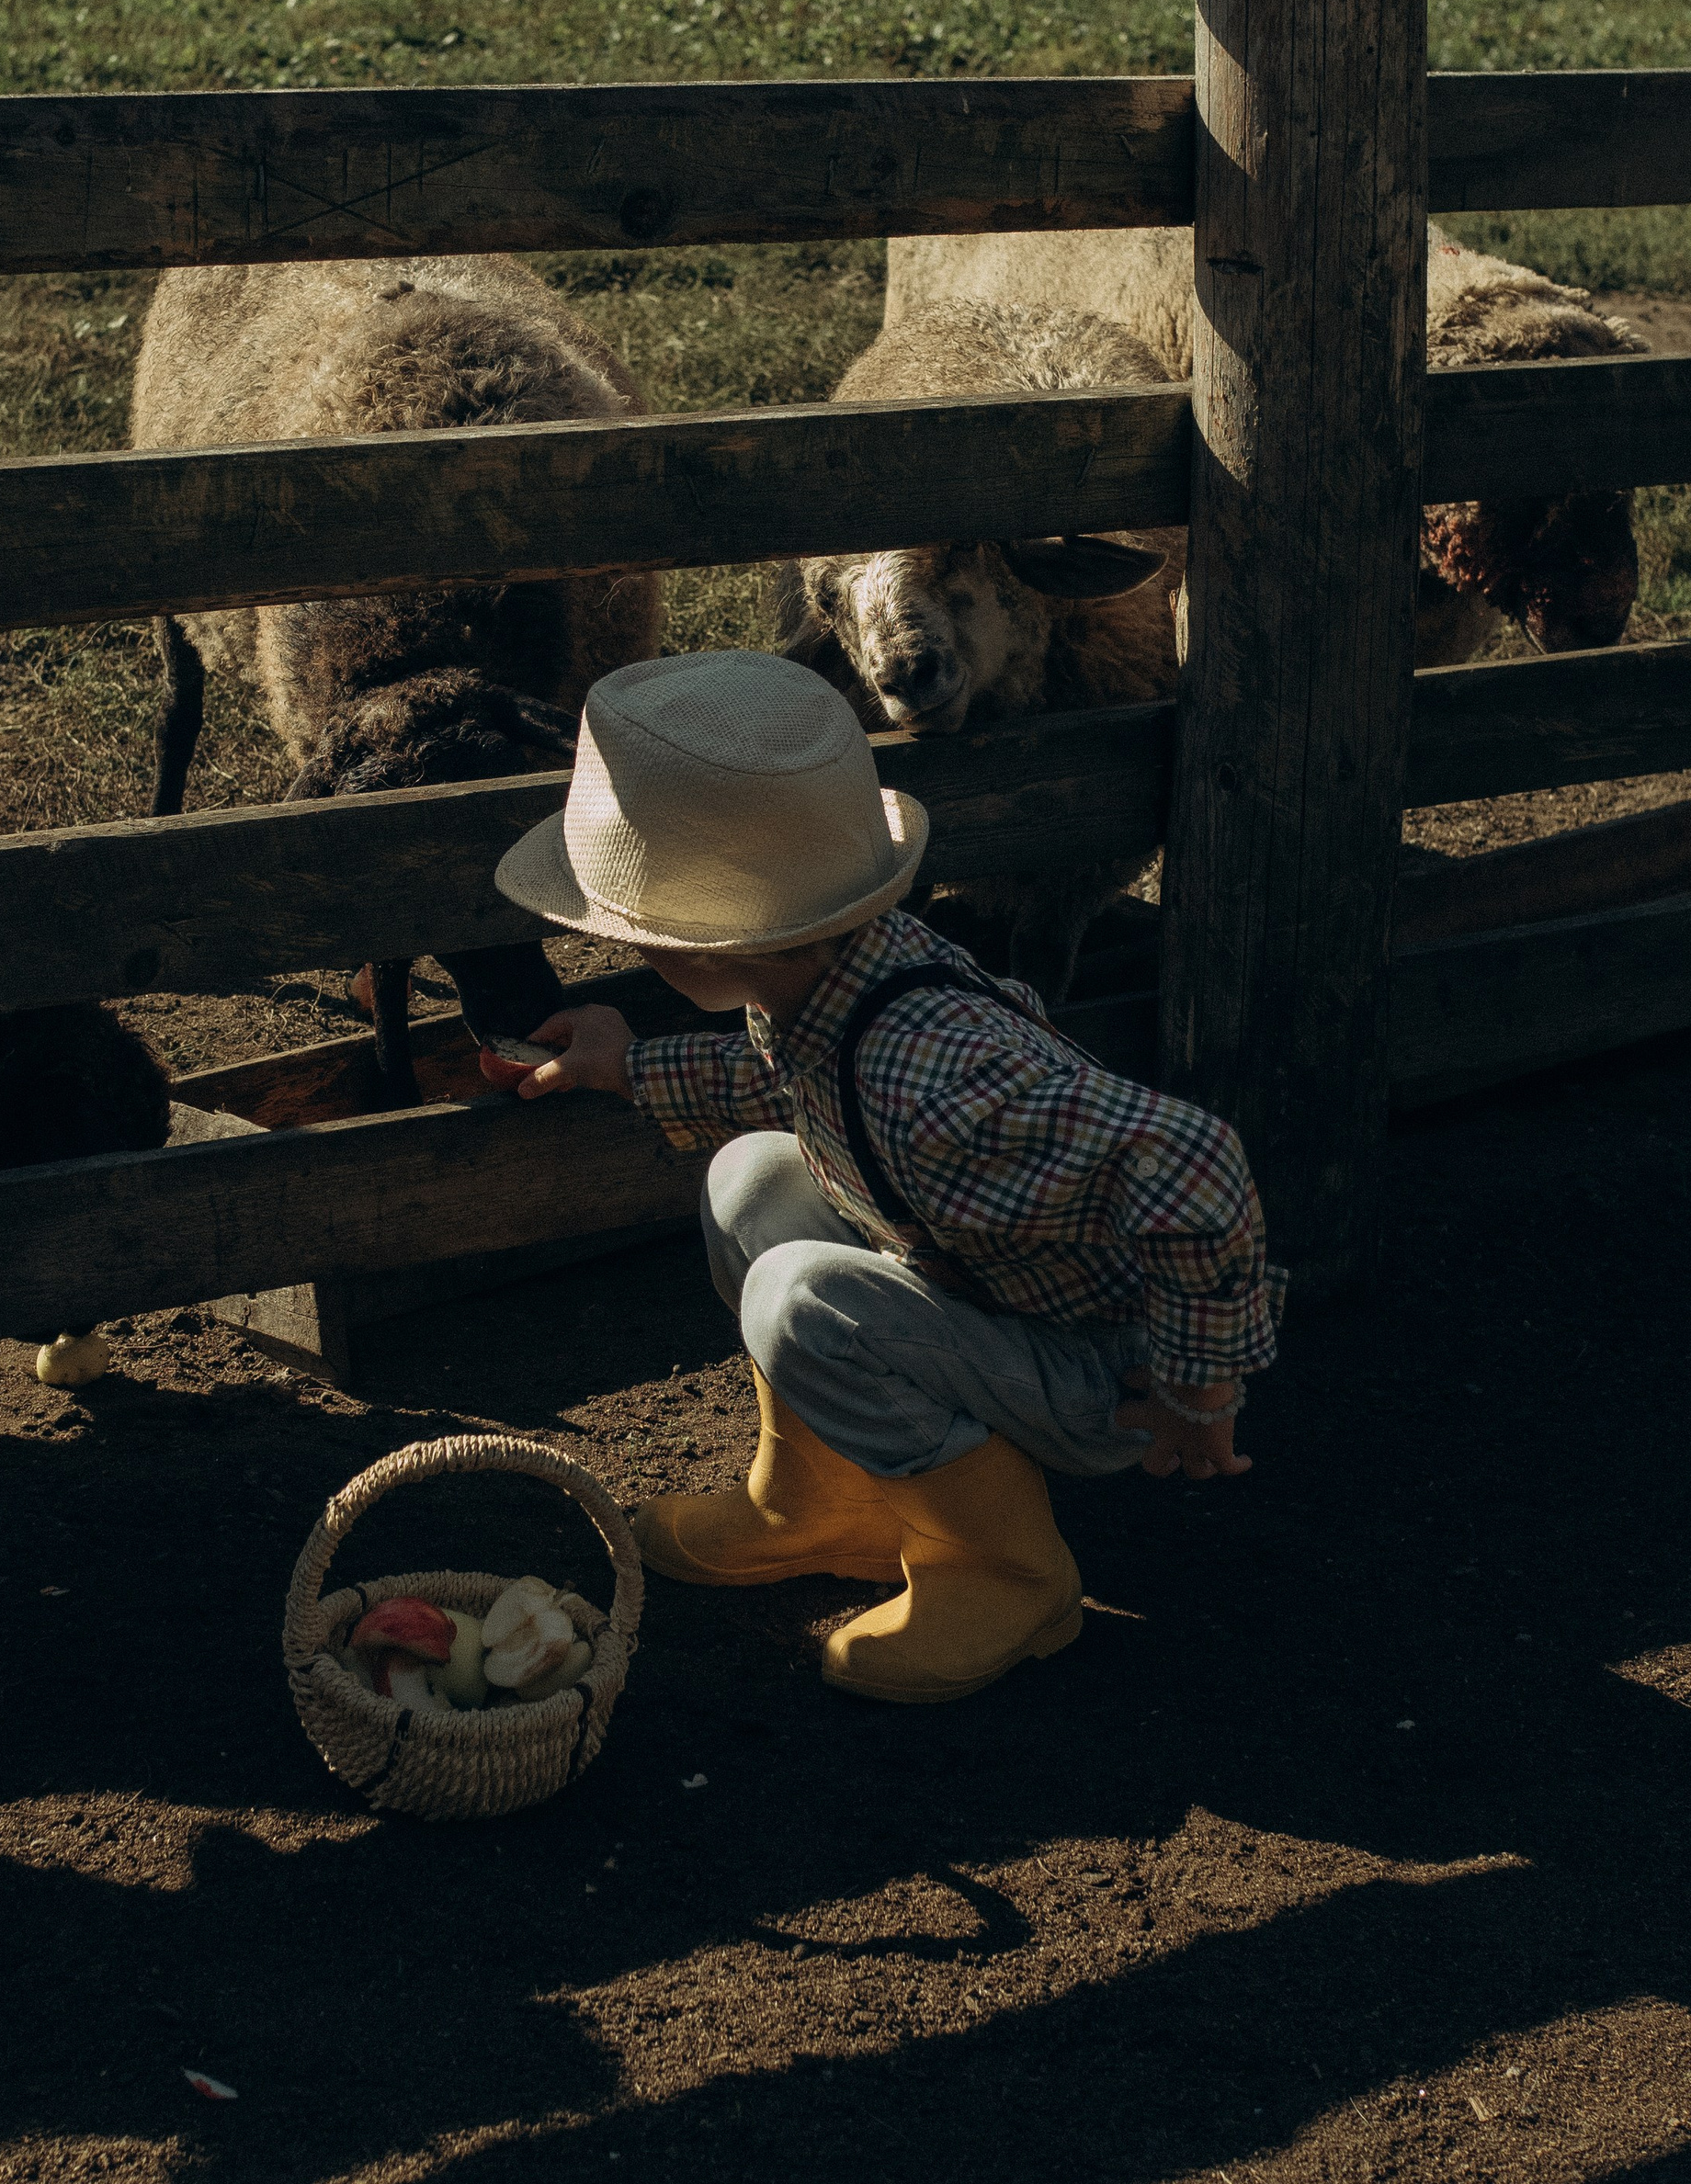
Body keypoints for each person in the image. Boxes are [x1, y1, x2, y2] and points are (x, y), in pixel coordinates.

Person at [485, 651, 1282, 1707]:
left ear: (697, 950)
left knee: (799, 1297)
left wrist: (1196, 1385)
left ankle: (1006, 1572)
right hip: (989, 1285)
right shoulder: (837, 973)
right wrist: (628, 1061)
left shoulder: (938, 1079)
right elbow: (798, 1088)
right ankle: (827, 1508)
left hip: (1104, 1373)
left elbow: (1195, 1156)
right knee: (751, 1178)